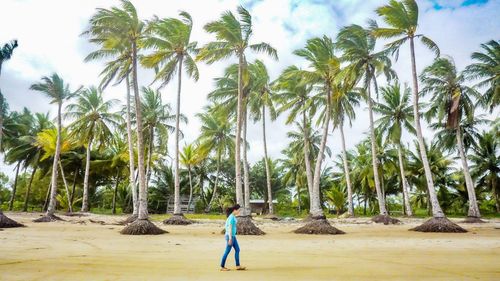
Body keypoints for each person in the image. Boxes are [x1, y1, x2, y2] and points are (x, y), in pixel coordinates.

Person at [220, 204, 246, 271]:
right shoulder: (231, 217)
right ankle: (222, 266)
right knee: (227, 251)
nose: (239, 212)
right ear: (235, 210)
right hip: (230, 236)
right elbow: (230, 228)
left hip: (232, 236)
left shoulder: (232, 216)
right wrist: (230, 238)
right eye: (238, 210)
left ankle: (238, 266)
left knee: (237, 249)